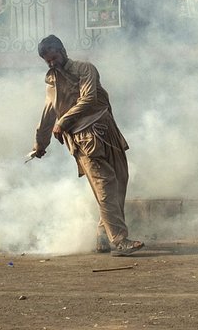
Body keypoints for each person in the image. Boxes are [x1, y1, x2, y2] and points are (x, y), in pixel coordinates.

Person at [29, 35, 142, 255]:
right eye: (47, 61)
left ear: (62, 51)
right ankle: (120, 240)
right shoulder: (52, 82)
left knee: (119, 182)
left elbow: (89, 98)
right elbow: (48, 113)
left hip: (107, 130)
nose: (52, 64)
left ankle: (103, 235)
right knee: (105, 186)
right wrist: (40, 144)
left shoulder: (85, 69)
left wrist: (62, 122)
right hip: (84, 140)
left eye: (54, 58)